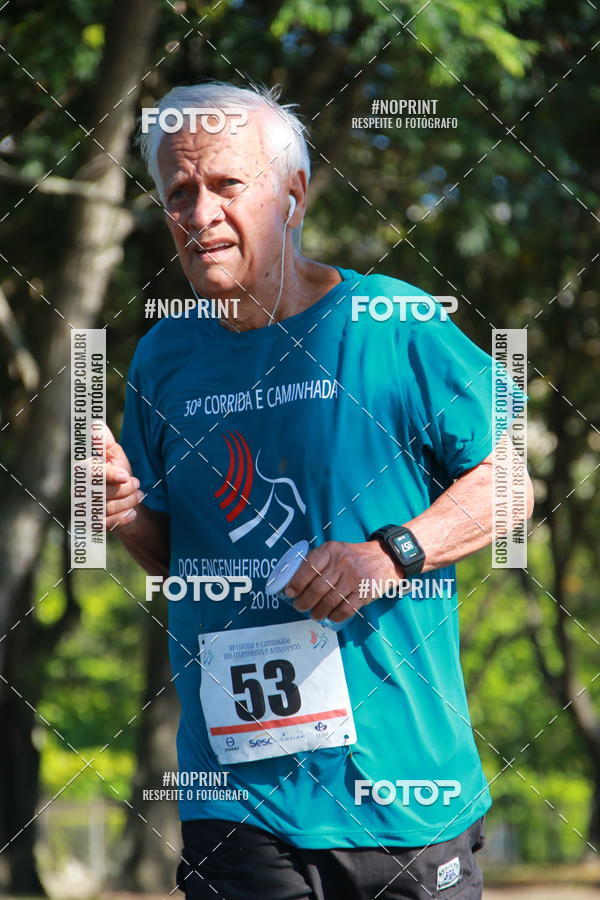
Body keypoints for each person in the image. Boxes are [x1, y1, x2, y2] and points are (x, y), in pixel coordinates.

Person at [106, 81, 533, 899]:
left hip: (400, 788)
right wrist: (126, 518)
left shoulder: (392, 323)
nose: (198, 215)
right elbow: (175, 559)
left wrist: (392, 554)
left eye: (227, 185)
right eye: (178, 194)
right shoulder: (163, 359)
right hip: (235, 794)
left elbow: (511, 484)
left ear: (293, 195)